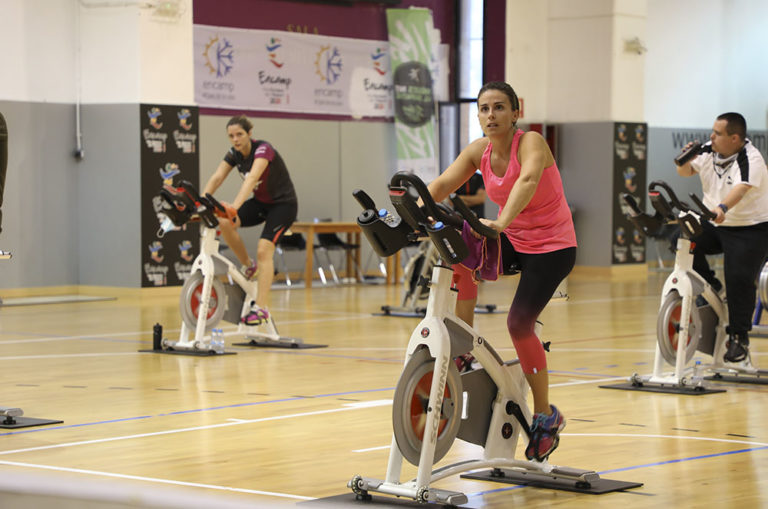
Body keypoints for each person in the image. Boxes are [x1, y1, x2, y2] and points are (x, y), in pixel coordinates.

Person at [426, 81, 576, 462]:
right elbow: (441, 184)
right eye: (484, 109)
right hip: (511, 239)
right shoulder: (480, 151)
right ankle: (463, 345)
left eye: (499, 108)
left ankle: (546, 415)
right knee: (458, 251)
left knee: (518, 324)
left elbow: (527, 181)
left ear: (515, 113)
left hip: (552, 247)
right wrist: (409, 211)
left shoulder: (532, 144)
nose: (490, 115)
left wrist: (500, 222)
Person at [675, 112, 768, 363]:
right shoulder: (708, 149)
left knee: (738, 278)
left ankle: (739, 338)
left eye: (717, 133)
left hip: (750, 228)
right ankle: (712, 287)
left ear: (734, 138)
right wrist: (684, 160)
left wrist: (722, 208)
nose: (711, 136)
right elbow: (685, 172)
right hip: (716, 224)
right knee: (682, 241)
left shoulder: (751, 159)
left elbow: (741, 188)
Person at [203, 115, 298, 325]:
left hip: (283, 205)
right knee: (225, 222)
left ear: (249, 134)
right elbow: (217, 177)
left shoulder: (263, 149)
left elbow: (252, 178)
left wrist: (234, 207)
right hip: (261, 203)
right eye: (231, 136)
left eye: (239, 134)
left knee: (264, 249)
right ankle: (248, 265)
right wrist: (201, 201)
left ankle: (261, 308)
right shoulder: (234, 154)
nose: (235, 140)